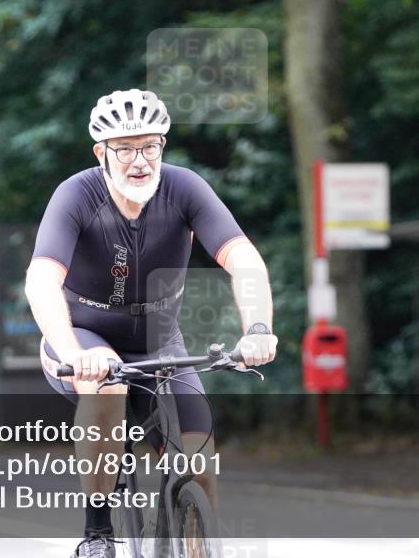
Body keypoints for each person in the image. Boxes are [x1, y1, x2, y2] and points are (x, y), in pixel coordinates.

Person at [25, 88, 277, 558]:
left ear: (162, 146)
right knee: (107, 385)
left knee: (199, 464)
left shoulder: (184, 188)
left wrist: (258, 328)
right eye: (124, 148)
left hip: (160, 342)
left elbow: (243, 259)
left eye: (150, 146)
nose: (139, 160)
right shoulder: (76, 195)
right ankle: (98, 533)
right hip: (84, 335)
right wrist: (74, 353)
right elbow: (42, 280)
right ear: (102, 153)